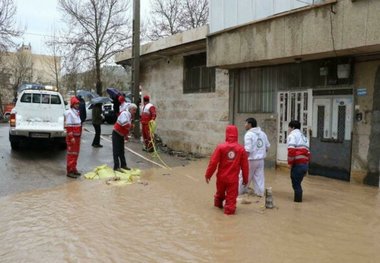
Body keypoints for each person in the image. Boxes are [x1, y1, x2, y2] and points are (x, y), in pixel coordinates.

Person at [205, 125, 249, 215]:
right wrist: (245, 179)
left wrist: (208, 175)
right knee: (231, 201)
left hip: (221, 178)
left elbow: (213, 162)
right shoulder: (241, 149)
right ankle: (228, 223)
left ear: (226, 134)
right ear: (236, 134)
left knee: (219, 196)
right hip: (233, 180)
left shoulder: (220, 147)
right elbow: (245, 166)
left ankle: (217, 213)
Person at [242, 117, 270, 197]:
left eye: (245, 123)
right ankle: (260, 194)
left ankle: (240, 193)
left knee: (244, 177)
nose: (245, 125)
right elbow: (267, 146)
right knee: (259, 178)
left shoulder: (248, 134)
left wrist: (243, 161)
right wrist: (261, 152)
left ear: (250, 124)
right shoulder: (263, 133)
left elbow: (248, 150)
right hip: (261, 160)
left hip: (251, 160)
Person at [287, 120, 310, 203]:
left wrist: (289, 163)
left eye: (289, 127)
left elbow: (291, 150)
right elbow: (308, 153)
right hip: (304, 164)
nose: (288, 129)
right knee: (298, 183)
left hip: (297, 164)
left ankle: (297, 204)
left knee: (296, 184)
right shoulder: (304, 138)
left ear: (292, 127)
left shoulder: (292, 135)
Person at [112, 103, 138, 171]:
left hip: (121, 134)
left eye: (135, 110)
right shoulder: (124, 114)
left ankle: (123, 165)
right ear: (130, 109)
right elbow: (125, 124)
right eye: (134, 110)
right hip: (116, 133)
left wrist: (126, 135)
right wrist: (131, 127)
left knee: (121, 150)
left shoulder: (130, 116)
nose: (135, 112)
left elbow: (126, 128)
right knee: (116, 151)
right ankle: (116, 167)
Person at [65, 96, 82, 178]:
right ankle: (70, 171)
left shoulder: (76, 112)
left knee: (76, 154)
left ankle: (74, 168)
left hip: (77, 136)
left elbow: (77, 123)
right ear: (72, 104)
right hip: (73, 137)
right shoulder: (69, 113)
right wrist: (71, 137)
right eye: (76, 104)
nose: (78, 105)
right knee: (71, 154)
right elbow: (68, 126)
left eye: (78, 104)